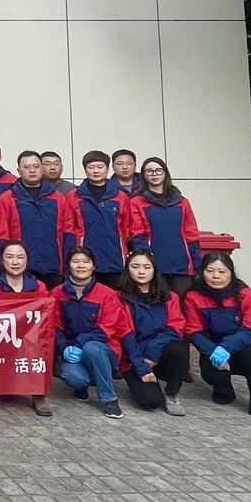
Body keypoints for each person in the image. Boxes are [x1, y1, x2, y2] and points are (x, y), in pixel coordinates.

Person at [52, 246, 143, 419]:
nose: (81, 266)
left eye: (86, 262)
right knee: (71, 375)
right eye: (75, 261)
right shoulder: (57, 293)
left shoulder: (107, 294)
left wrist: (79, 343)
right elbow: (54, 326)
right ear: (68, 265)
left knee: (92, 348)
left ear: (93, 266)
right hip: (73, 351)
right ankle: (82, 388)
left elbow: (107, 328)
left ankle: (109, 399)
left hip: (104, 350)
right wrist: (64, 347)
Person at [184, 252, 251, 419]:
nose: (216, 276)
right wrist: (213, 351)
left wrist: (225, 348)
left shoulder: (247, 295)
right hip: (213, 348)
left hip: (244, 346)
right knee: (211, 372)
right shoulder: (193, 297)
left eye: (222, 271)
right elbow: (193, 330)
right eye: (210, 271)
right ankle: (224, 390)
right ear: (202, 272)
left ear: (231, 273)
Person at [0, 240, 52, 417]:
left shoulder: (39, 286)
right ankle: (7, 384)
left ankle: (39, 394)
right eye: (10, 257)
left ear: (27, 259)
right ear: (1, 260)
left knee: (39, 343)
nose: (15, 262)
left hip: (31, 335)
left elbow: (44, 316)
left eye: (20, 257)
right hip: (3, 334)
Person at [116, 249, 189, 415]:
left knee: (179, 349)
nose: (141, 271)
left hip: (158, 354)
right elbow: (125, 335)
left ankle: (172, 392)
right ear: (127, 269)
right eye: (135, 267)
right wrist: (142, 367)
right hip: (133, 358)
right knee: (151, 402)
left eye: (147, 267)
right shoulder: (119, 298)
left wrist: (153, 350)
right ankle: (138, 384)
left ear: (154, 269)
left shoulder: (170, 297)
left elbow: (176, 328)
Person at [0, 150, 74, 290]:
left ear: (42, 168)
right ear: (18, 171)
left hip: (54, 267)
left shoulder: (58, 198)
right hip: (20, 270)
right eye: (27, 167)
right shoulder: (7, 199)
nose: (32, 170)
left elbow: (68, 232)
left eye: (36, 166)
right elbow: (1, 236)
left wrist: (68, 265)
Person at [67, 150, 145, 287]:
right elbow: (69, 228)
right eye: (91, 167)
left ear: (108, 169)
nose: (96, 171)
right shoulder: (74, 196)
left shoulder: (120, 196)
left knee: (116, 296)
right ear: (85, 169)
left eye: (100, 167)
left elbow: (127, 227)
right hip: (84, 260)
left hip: (114, 258)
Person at [129, 158, 200, 295]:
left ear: (165, 173)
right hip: (154, 266)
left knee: (183, 302)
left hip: (181, 266)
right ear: (143, 175)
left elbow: (192, 235)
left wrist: (197, 266)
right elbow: (138, 235)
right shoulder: (136, 202)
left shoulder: (182, 202)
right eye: (149, 171)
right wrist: (147, 262)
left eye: (158, 170)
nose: (154, 174)